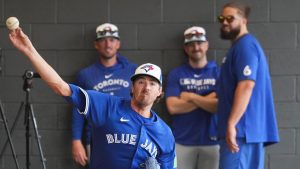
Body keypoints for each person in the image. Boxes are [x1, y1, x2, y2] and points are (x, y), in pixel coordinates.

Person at [9, 28, 177, 169]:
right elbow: (61, 87)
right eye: (141, 81)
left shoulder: (165, 133)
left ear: (159, 91)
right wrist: (29, 50)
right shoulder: (107, 105)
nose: (146, 87)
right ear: (132, 87)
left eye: (153, 84)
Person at [217, 1, 280, 169]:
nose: (224, 22)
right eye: (221, 18)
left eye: (230, 18)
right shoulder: (238, 47)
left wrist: (231, 124)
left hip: (241, 132)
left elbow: (246, 85)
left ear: (244, 20)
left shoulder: (245, 46)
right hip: (242, 132)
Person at [71, 23, 137, 167]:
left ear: (118, 44)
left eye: (112, 40)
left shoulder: (133, 71)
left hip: (129, 137)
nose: (108, 44)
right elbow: (78, 109)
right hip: (96, 138)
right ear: (96, 45)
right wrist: (76, 140)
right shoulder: (85, 75)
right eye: (103, 40)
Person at [165, 26, 219, 169]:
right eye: (191, 44)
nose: (196, 47)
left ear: (206, 45)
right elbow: (173, 107)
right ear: (185, 48)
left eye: (199, 43)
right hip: (182, 141)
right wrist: (207, 98)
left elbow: (218, 107)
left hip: (213, 142)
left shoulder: (218, 73)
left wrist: (190, 97)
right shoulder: (176, 74)